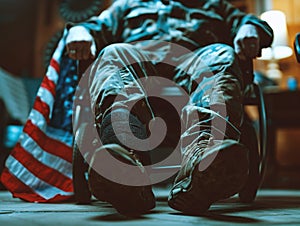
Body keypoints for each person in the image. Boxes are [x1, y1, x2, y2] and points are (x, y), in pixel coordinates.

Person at [65, 0, 273, 215]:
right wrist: (79, 31)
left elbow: (249, 22)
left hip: (193, 72)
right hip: (140, 72)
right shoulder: (128, 4)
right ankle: (123, 161)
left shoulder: (214, 5)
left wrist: (250, 28)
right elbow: (95, 26)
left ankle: (203, 162)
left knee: (222, 53)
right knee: (114, 52)